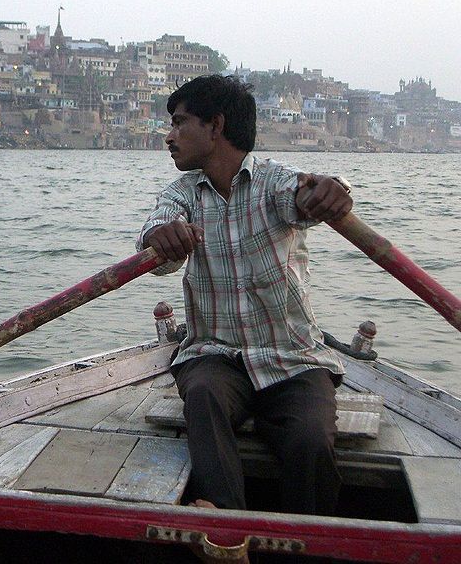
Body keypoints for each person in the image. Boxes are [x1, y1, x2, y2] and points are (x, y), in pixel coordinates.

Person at [137, 75, 353, 517]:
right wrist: (161, 238)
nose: (169, 136)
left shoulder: (274, 182)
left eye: (180, 123)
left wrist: (331, 191)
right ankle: (225, 529)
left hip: (293, 358)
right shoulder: (180, 196)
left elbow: (307, 191)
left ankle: (306, 539)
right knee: (204, 397)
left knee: (311, 441)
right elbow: (157, 251)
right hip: (214, 355)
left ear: (215, 127)